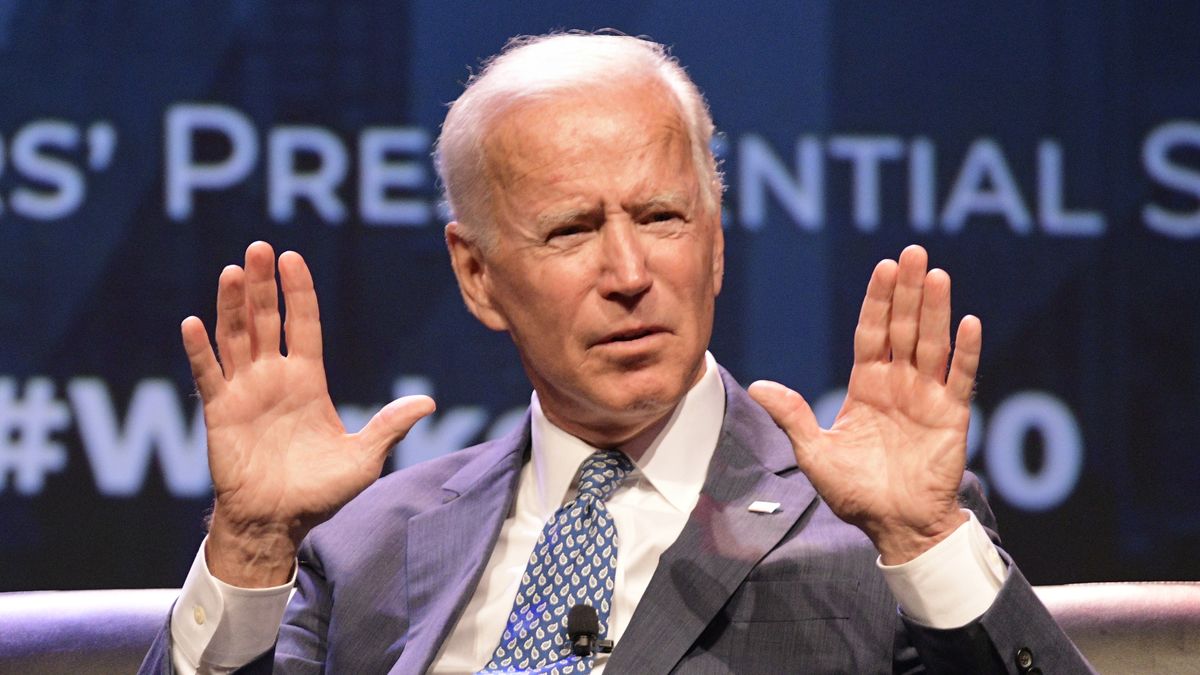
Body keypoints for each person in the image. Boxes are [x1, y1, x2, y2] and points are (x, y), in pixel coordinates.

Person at [141, 33, 1093, 674]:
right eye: (570, 231)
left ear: (716, 243)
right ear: (478, 277)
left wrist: (925, 544)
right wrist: (253, 545)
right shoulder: (365, 548)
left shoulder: (866, 531)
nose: (630, 271)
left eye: (662, 217)